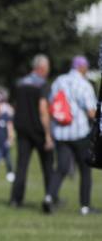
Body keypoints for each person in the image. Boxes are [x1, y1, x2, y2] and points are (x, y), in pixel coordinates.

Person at [46, 55, 96, 215]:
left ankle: (49, 197)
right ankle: (85, 206)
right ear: (82, 67)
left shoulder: (58, 81)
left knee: (61, 167)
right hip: (79, 132)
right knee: (85, 170)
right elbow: (91, 111)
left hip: (60, 132)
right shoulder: (84, 85)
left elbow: (51, 104)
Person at [10, 55, 54, 212]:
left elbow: (16, 106)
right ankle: (50, 197)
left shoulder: (21, 83)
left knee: (21, 166)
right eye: (48, 67)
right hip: (38, 130)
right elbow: (43, 109)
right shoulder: (42, 85)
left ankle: (16, 199)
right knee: (48, 166)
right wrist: (48, 134)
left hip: (22, 129)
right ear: (42, 68)